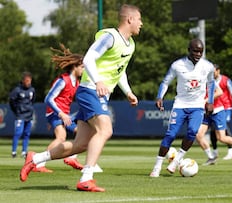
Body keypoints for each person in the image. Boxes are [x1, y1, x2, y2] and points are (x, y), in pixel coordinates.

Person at [20, 4, 142, 192]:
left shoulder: (131, 44)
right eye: (139, 19)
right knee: (105, 130)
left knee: (80, 145)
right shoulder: (110, 37)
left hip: (99, 92)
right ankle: (86, 177)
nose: (141, 24)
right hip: (90, 90)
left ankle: (35, 159)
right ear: (130, 19)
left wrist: (128, 92)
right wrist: (98, 81)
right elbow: (88, 59)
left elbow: (120, 71)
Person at [149, 38, 216, 178]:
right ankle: (157, 167)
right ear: (189, 50)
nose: (198, 54)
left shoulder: (208, 66)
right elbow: (165, 82)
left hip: (197, 106)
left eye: (200, 52)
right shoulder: (177, 65)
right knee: (171, 135)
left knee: (192, 132)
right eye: (195, 51)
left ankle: (176, 161)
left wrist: (210, 101)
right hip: (180, 105)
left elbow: (211, 83)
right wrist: (159, 97)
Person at [31, 44, 85, 173]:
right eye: (82, 67)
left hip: (64, 114)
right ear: (75, 67)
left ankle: (71, 157)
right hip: (56, 113)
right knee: (61, 137)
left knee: (81, 132)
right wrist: (60, 114)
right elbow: (48, 99)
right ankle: (38, 163)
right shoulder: (63, 80)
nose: (84, 70)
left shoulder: (76, 82)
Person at [196, 82, 232, 166]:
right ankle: (211, 157)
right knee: (198, 135)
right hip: (206, 113)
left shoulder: (210, 80)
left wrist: (206, 100)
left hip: (217, 111)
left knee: (221, 138)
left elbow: (219, 92)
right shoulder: (196, 81)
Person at [209, 64, 232, 160]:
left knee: (225, 128)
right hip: (215, 108)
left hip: (226, 107)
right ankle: (215, 152)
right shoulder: (210, 81)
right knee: (213, 130)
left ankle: (231, 151)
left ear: (218, 71)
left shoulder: (226, 80)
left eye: (214, 72)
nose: (212, 74)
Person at [9, 71, 35, 158]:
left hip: (29, 115)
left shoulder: (32, 90)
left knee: (27, 134)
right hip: (20, 115)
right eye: (27, 81)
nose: (28, 83)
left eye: (30, 81)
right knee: (18, 133)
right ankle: (14, 151)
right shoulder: (17, 90)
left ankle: (24, 152)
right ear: (23, 81)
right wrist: (17, 110)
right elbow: (12, 101)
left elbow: (32, 100)